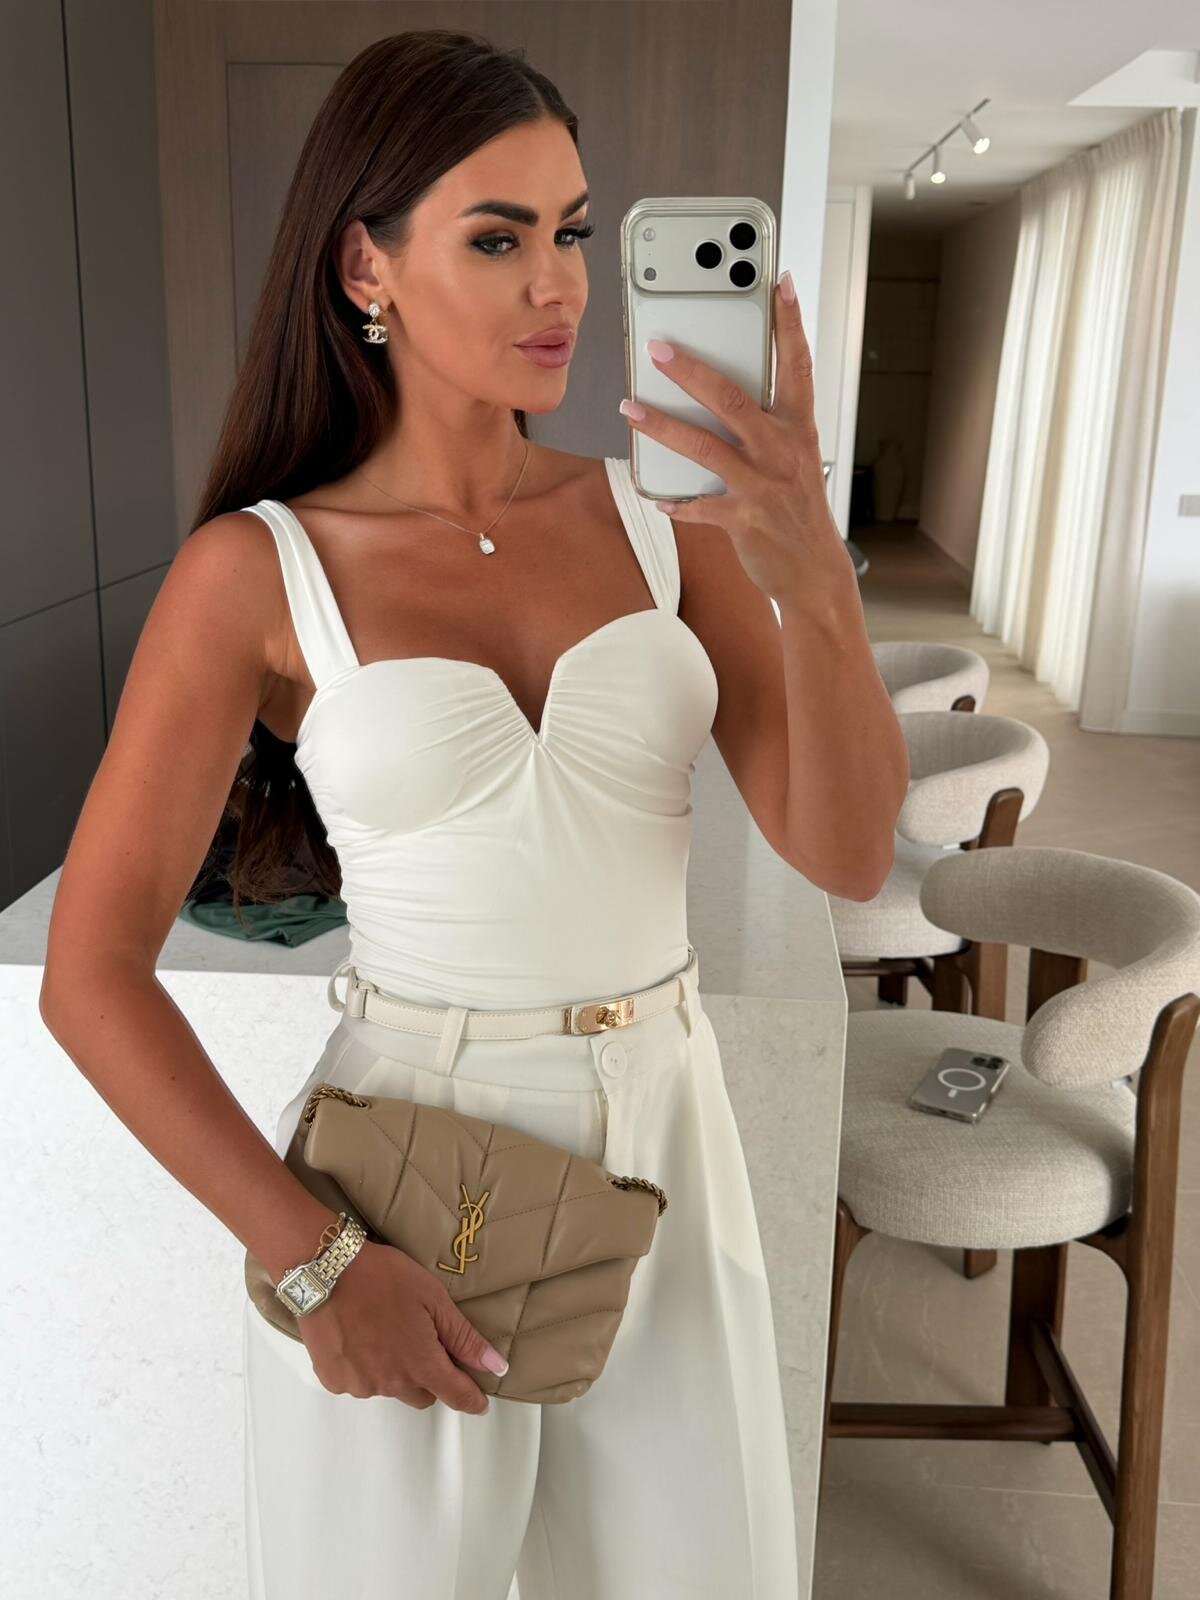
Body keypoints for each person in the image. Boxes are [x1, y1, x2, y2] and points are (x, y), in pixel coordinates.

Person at [40, 27, 832, 1599]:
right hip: (405, 1180)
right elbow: (91, 973)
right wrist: (315, 1260)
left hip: (670, 1132)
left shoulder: (666, 524)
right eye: (497, 238)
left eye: (574, 233)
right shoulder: (256, 570)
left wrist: (813, 563)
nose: (560, 286)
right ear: (367, 267)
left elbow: (850, 850)